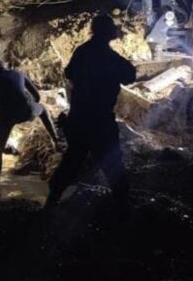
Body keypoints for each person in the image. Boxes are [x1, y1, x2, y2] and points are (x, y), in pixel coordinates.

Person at [46, 15, 136, 209]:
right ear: (107, 31)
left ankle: (52, 199)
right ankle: (123, 206)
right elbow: (130, 75)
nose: (115, 31)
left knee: (73, 159)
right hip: (100, 121)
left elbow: (68, 73)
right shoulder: (109, 57)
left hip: (78, 117)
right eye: (112, 28)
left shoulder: (82, 52)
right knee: (112, 162)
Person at [0, 59, 60, 182]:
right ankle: (56, 141)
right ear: (5, 66)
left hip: (7, 118)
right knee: (43, 110)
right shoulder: (19, 74)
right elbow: (37, 96)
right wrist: (31, 104)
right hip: (28, 111)